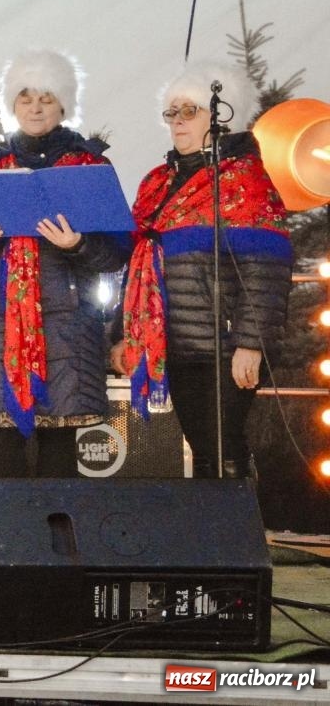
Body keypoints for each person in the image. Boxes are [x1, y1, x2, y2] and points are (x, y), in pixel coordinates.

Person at [0, 50, 129, 478]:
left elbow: (118, 250)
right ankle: (6, 547)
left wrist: (78, 244)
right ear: (12, 105)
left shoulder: (88, 165)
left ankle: (62, 546)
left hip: (67, 334)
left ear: (63, 105)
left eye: (46, 98)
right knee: (1, 461)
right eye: (25, 99)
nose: (35, 107)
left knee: (59, 461)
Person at [114, 61, 291, 479]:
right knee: (201, 446)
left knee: (225, 443)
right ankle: (213, 534)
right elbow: (135, 268)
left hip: (224, 344)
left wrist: (251, 343)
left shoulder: (243, 179)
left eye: (189, 111)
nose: (177, 122)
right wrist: (123, 334)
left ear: (219, 116)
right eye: (171, 112)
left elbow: (264, 272)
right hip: (174, 342)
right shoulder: (157, 181)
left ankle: (238, 535)